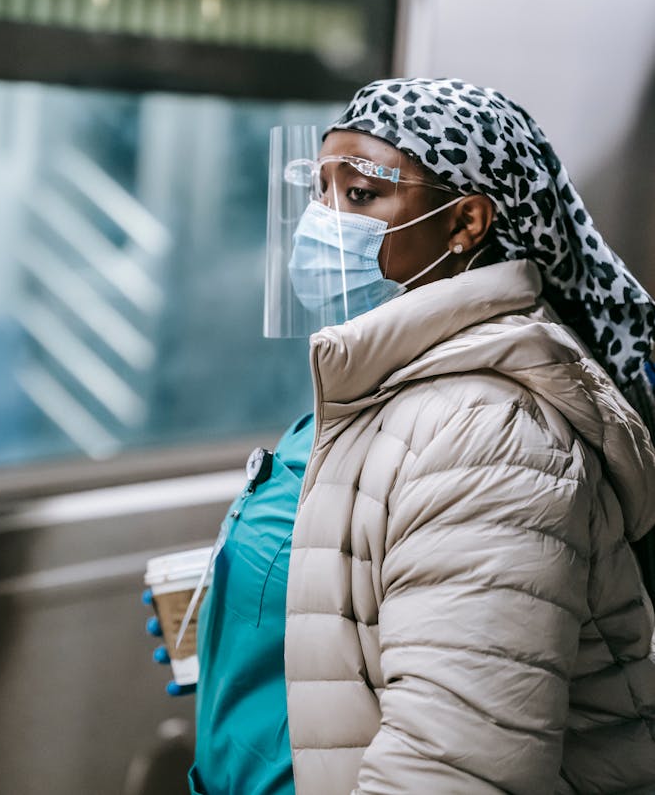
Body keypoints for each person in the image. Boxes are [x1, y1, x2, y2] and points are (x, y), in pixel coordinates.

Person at [147, 77, 655, 795]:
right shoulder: (377, 382)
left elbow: (456, 770)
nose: (322, 220)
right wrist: (247, 612)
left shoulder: (490, 436)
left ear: (465, 223)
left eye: (359, 194)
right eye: (320, 191)